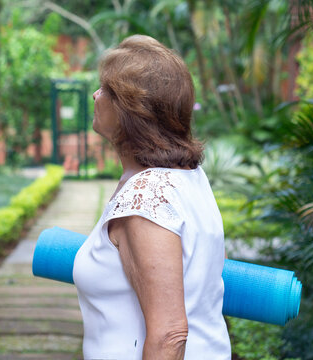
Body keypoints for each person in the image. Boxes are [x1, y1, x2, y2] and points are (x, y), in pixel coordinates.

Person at [72, 35, 231, 360]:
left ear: (129, 111)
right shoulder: (187, 177)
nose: (95, 95)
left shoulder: (146, 200)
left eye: (105, 89)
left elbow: (169, 336)